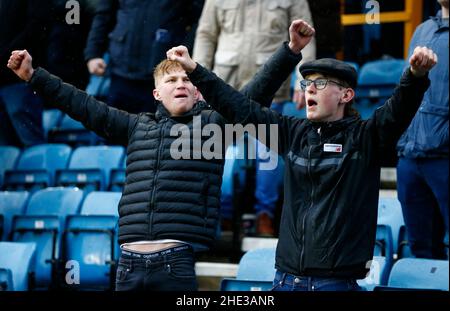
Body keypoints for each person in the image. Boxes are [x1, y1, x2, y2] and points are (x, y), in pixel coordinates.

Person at [7, 20, 307, 290]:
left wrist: (291, 50)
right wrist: (34, 76)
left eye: (187, 81)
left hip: (174, 262)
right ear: (156, 94)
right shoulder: (136, 126)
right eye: (171, 81)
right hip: (126, 263)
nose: (180, 84)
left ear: (198, 92)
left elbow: (254, 94)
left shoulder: (215, 126)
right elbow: (81, 105)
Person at [167, 30, 437, 290]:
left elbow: (399, 109)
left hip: (334, 284)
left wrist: (415, 75)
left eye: (320, 83)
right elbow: (239, 107)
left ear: (346, 95)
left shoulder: (365, 137)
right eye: (307, 83)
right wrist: (194, 70)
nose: (310, 90)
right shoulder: (291, 132)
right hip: (284, 280)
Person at [193, 0, 316, 236]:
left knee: (268, 153)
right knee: (221, 150)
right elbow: (206, 35)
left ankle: (264, 215)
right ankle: (224, 214)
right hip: (226, 84)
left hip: (272, 87)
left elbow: (305, 35)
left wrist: (305, 78)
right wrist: (197, 76)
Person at [84, 0, 205, 114]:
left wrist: (182, 53)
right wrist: (93, 54)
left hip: (162, 75)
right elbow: (103, 16)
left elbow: (199, 21)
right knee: (114, 128)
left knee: (156, 131)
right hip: (121, 71)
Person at [396, 0, 449, 259]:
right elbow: (405, 90)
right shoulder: (422, 30)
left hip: (445, 157)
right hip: (410, 157)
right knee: (420, 250)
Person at [0, 0, 49, 147]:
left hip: (19, 78)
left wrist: (4, 56)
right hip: (5, 79)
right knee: (5, 151)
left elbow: (36, 28)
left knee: (31, 143)